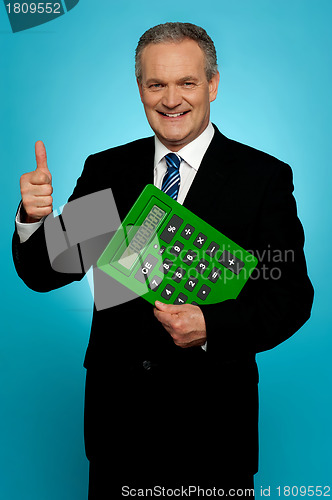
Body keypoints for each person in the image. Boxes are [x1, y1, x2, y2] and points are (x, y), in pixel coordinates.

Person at [13, 22, 314, 498]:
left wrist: (212, 326)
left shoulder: (262, 178)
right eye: (157, 84)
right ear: (140, 89)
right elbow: (48, 270)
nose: (171, 99)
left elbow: (291, 298)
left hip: (214, 437)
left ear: (212, 84)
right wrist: (33, 218)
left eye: (187, 82)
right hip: (119, 436)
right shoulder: (109, 170)